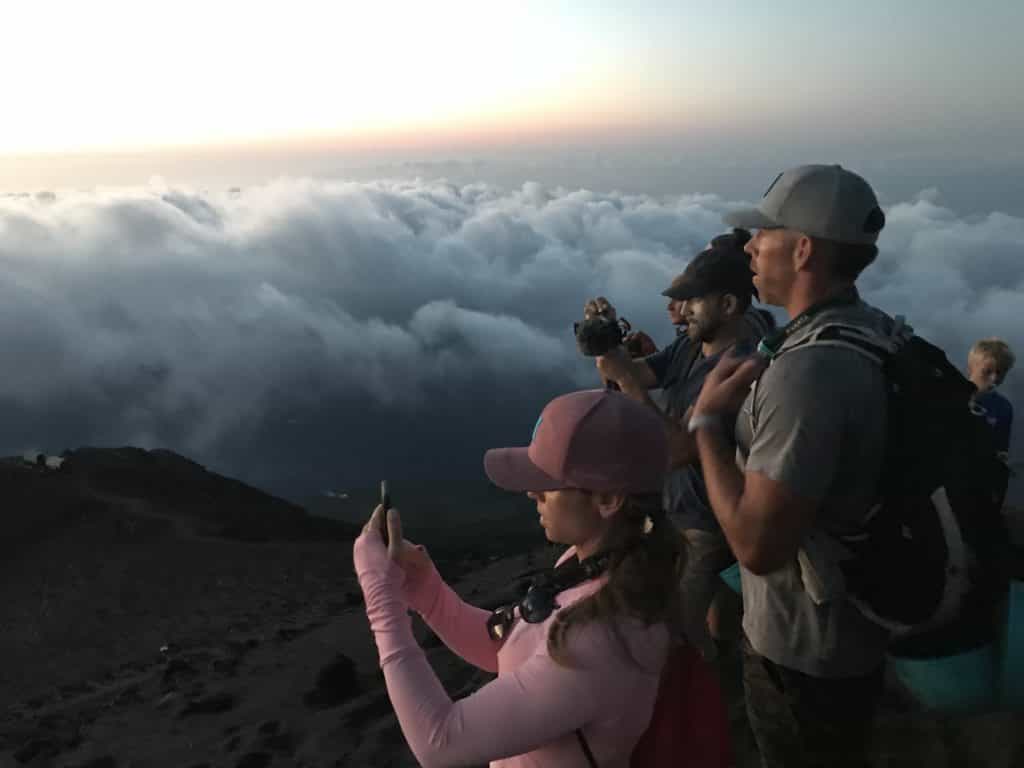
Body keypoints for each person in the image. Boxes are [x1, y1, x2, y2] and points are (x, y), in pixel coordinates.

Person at [352, 389, 692, 767]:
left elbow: (440, 743)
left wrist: (381, 601)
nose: (532, 492)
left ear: (609, 499)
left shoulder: (602, 637)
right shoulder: (594, 566)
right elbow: (508, 649)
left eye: (549, 481)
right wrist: (426, 591)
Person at [689, 164, 891, 768]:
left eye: (764, 233)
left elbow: (757, 546)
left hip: (804, 649)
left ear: (803, 250)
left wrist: (705, 424)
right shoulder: (874, 331)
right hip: (855, 628)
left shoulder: (809, 372)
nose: (749, 246)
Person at [594, 231, 773, 659]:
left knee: (677, 638)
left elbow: (679, 448)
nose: (682, 310)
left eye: (694, 300)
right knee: (715, 622)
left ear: (729, 306)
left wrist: (623, 378)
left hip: (705, 524)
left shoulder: (740, 368)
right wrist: (608, 345)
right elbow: (641, 374)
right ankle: (725, 676)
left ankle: (699, 707)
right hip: (681, 511)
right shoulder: (693, 347)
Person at [967, 337, 1015, 459]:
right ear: (971, 368)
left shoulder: (1003, 407)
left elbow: (1001, 448)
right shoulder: (949, 395)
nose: (994, 378)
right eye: (987, 371)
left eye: (999, 372)